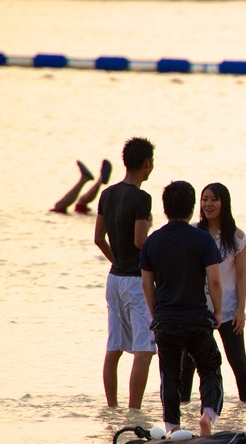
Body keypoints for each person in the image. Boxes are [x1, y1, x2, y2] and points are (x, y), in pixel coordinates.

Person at [139, 180, 224, 435]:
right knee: (210, 367)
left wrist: (156, 314)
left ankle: (173, 427)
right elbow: (215, 280)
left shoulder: (152, 242)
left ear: (165, 208)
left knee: (170, 374)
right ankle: (207, 415)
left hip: (166, 319)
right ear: (191, 208)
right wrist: (218, 312)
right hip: (197, 318)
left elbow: (146, 283)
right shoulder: (203, 239)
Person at [178, 183, 246, 403]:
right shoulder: (193, 231)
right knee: (188, 364)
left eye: (214, 199)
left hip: (229, 308)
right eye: (204, 199)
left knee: (238, 361)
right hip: (198, 307)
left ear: (224, 203)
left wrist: (241, 309)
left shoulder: (237, 237)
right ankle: (183, 412)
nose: (208, 204)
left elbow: (241, 276)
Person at [93, 137, 156, 410]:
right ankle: (134, 412)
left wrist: (116, 260)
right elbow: (141, 241)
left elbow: (98, 238)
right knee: (144, 349)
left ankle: (112, 408)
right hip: (134, 281)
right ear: (146, 164)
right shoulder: (142, 198)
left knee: (114, 346)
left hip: (114, 278)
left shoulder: (107, 194)